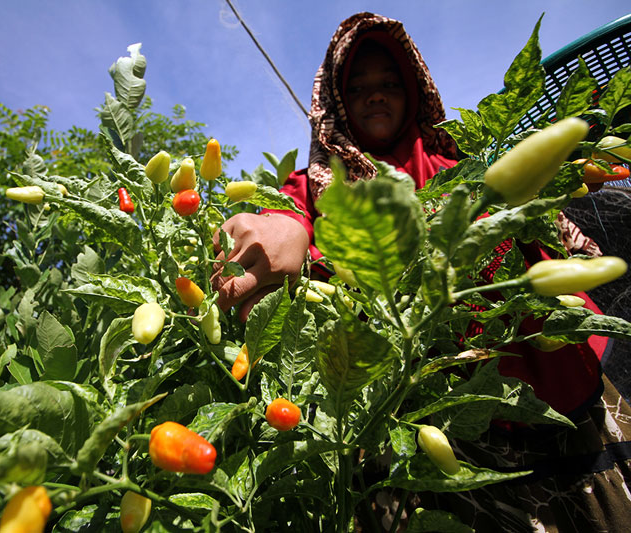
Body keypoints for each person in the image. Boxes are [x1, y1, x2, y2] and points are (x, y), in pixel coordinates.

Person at [212, 12, 631, 532]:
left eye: (388, 83)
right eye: (359, 88)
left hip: (550, 370)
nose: (375, 95)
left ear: (413, 88)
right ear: (339, 103)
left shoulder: (457, 158)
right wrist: (280, 228)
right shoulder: (323, 181)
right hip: (437, 408)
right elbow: (287, 213)